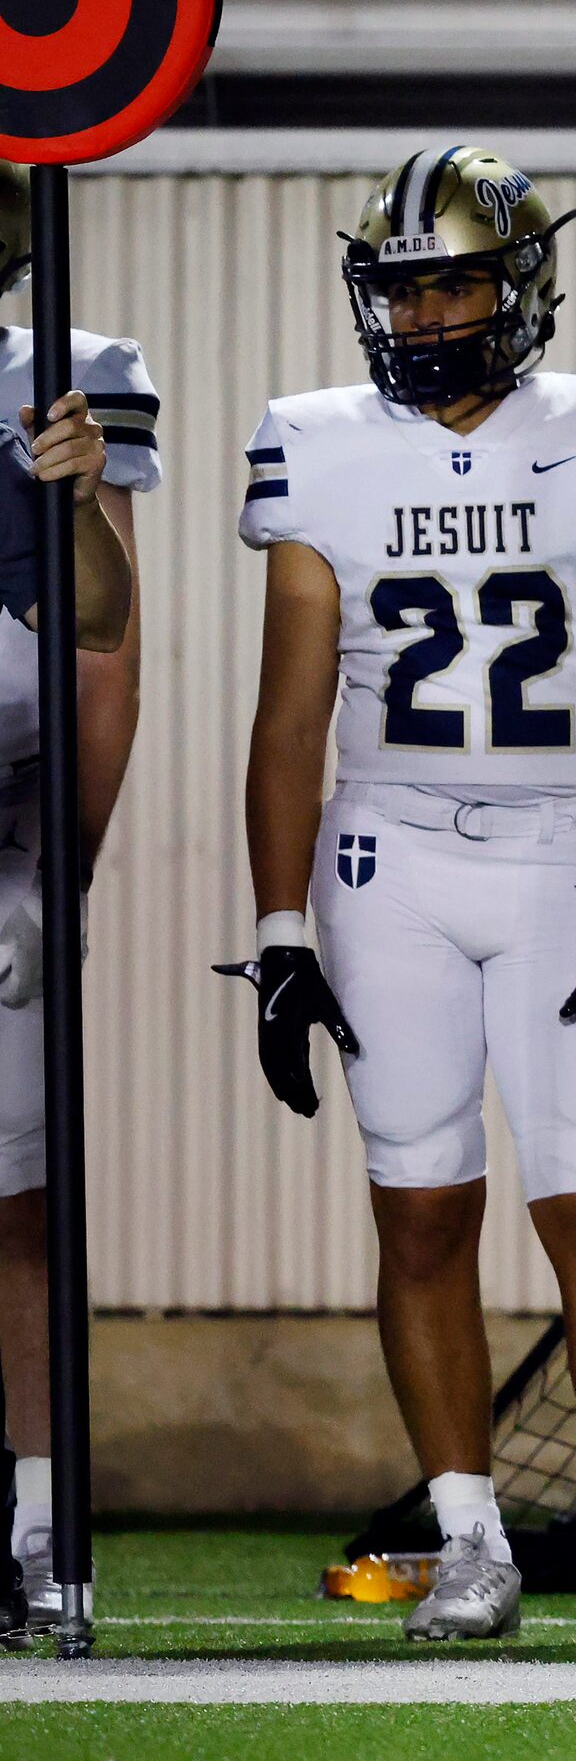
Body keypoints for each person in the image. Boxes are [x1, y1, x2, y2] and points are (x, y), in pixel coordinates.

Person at [227, 148, 576, 1647]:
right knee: (420, 1212)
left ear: (522, 285)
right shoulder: (317, 444)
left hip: (564, 855)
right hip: (387, 857)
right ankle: (468, 1537)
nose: (430, 311)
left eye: (457, 277)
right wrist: (275, 930)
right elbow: (289, 723)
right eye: (404, 284)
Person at [0, 158, 143, 1636]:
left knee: (18, 1208)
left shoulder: (48, 390)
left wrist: (84, 500)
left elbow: (100, 623)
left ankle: (42, 1522)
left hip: (3, 832)